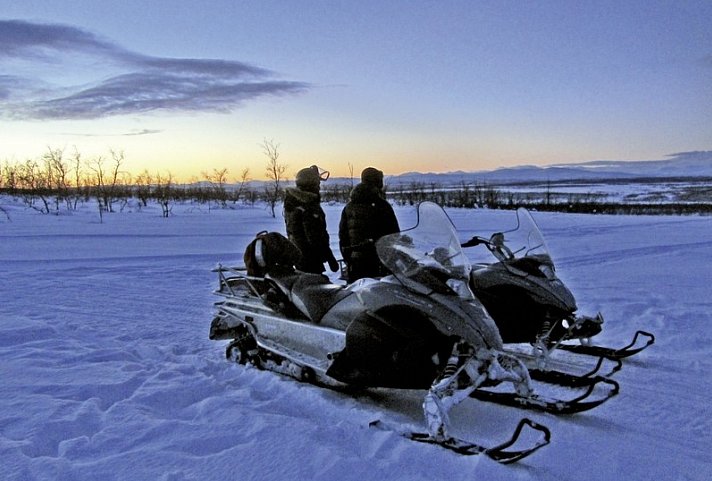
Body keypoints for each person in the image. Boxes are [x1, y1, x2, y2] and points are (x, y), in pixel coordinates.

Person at [339, 167, 400, 283]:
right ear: (377, 182)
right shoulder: (382, 206)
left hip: (355, 263)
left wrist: (349, 258)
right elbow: (393, 235)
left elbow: (343, 238)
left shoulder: (349, 207)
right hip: (378, 263)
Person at [284, 165, 339, 275]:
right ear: (312, 185)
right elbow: (315, 237)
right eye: (318, 183)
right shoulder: (308, 206)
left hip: (300, 257)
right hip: (310, 259)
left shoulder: (293, 202)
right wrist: (330, 257)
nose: (319, 187)